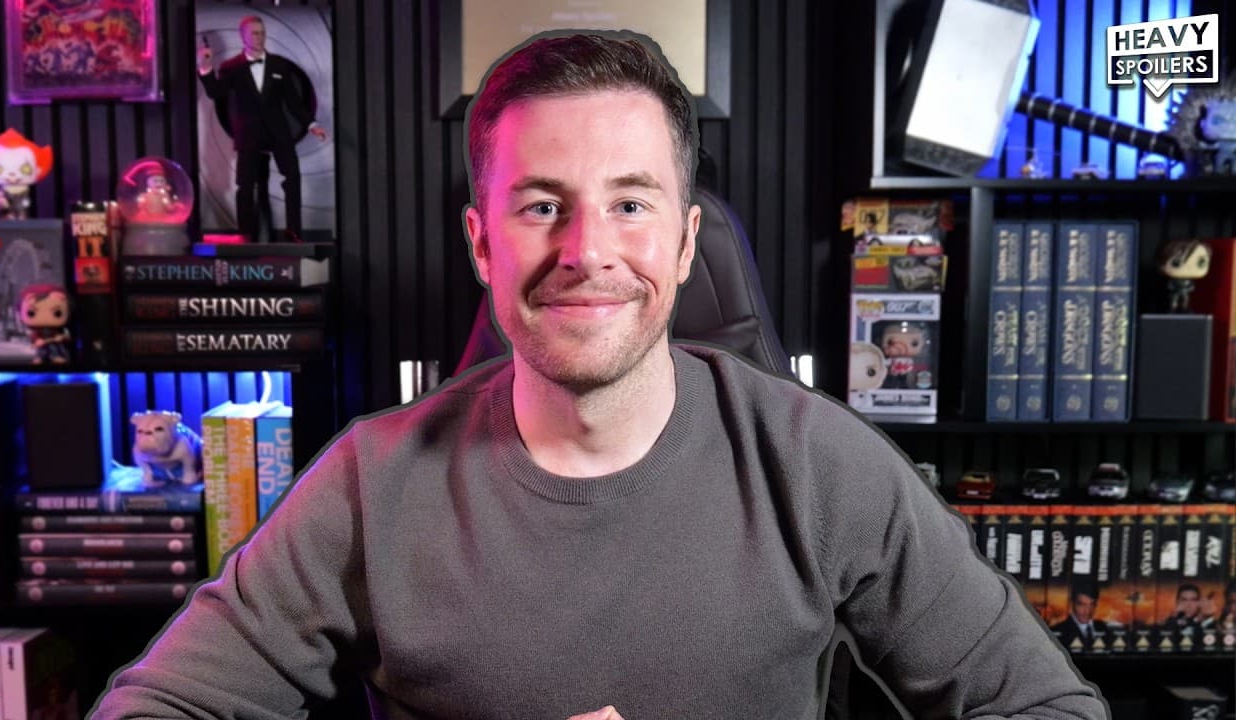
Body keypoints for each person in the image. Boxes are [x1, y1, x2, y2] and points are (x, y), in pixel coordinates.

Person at [91, 31, 1108, 719]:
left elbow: (1041, 707)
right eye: (540, 205)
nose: (587, 249)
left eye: (630, 203)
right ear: (482, 246)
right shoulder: (373, 481)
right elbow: (159, 705)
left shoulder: (820, 465)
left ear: (683, 243)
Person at [197, 15, 327, 243]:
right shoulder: (231, 67)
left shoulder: (280, 65)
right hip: (249, 133)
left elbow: (293, 102)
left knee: (292, 177)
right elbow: (215, 92)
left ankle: (293, 231)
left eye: (262, 32)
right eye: (254, 33)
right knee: (245, 185)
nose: (259, 37)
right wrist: (206, 68)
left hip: (279, 131)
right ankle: (245, 234)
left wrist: (311, 124)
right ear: (243, 36)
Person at [1050, 583, 1109, 652]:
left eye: (1092, 604)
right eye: (1081, 604)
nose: (1087, 611)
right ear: (1071, 603)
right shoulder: (1056, 631)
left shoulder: (1104, 627)